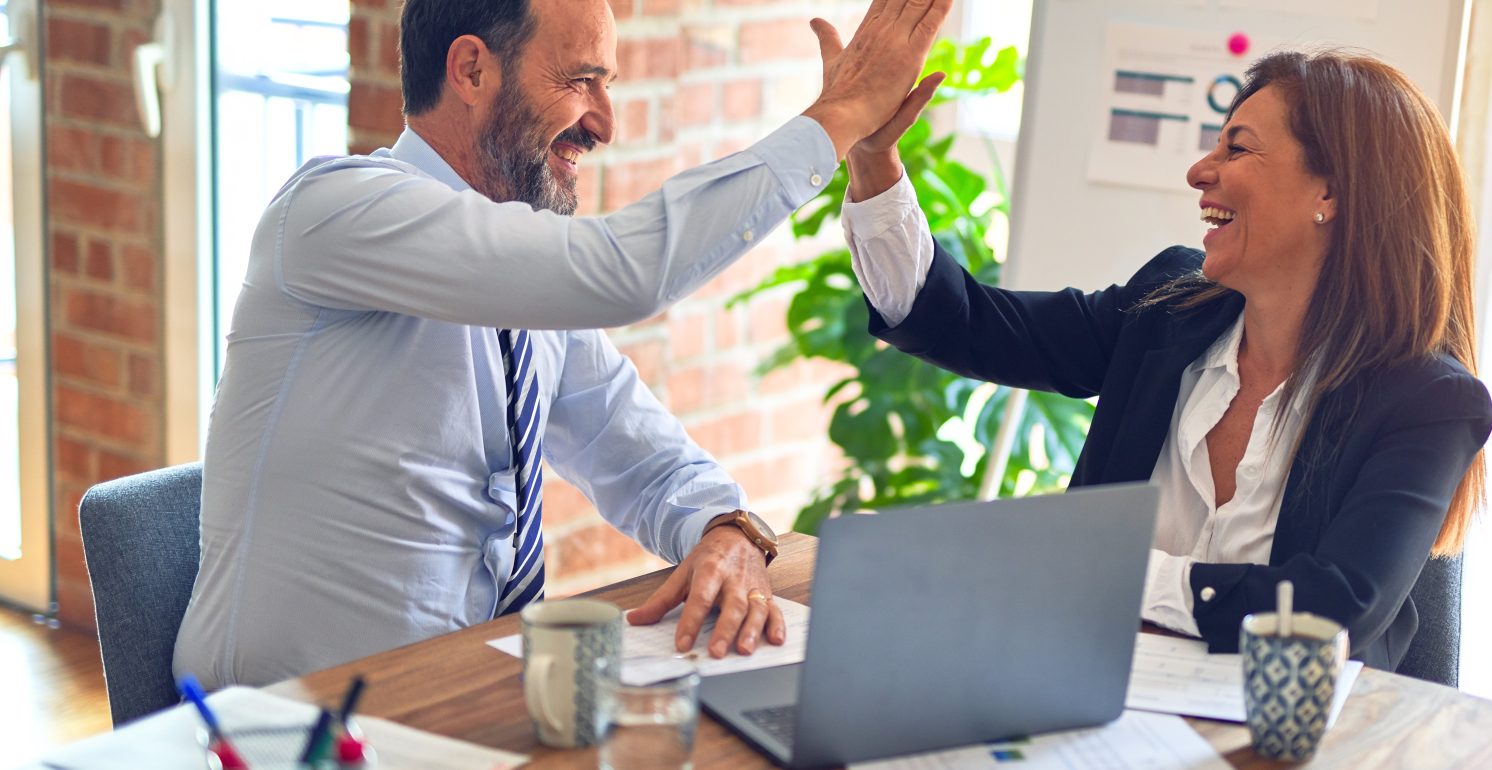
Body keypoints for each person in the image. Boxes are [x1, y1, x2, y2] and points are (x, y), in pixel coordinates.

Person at [175, 0, 951, 688]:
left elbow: (642, 457)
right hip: (286, 728)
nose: (605, 123)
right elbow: (626, 272)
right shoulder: (333, 211)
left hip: (462, 701)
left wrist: (726, 529)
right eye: (582, 81)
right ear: (472, 69)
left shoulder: (526, 288)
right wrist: (839, 116)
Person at [839, 50, 1492, 670]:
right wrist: (873, 160)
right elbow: (965, 324)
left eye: (1236, 148)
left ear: (1331, 193)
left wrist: (1107, 572)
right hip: (1092, 698)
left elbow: (1330, 612)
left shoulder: (1427, 401)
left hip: (1291, 742)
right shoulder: (1168, 312)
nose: (1200, 171)